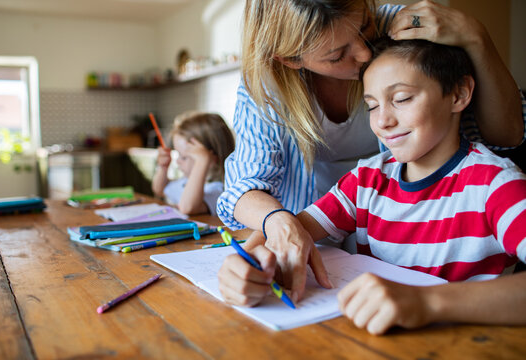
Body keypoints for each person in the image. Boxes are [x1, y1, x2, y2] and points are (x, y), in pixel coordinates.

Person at [216, 0, 526, 302]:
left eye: (402, 98)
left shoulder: (496, 187)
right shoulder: (365, 183)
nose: (365, 53)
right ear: (291, 59)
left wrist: (428, 303)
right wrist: (251, 263)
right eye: (370, 105)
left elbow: (508, 132)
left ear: (458, 93)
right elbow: (285, 223)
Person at [151, 111, 235, 216]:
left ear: (211, 160)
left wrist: (202, 161)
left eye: (184, 157)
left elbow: (187, 208)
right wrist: (163, 167)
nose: (177, 161)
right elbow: (160, 189)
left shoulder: (219, 191)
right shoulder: (185, 181)